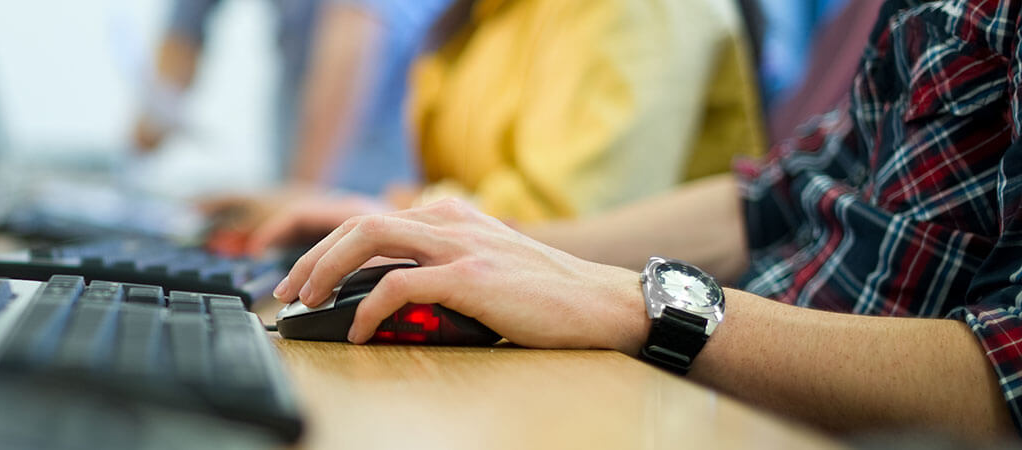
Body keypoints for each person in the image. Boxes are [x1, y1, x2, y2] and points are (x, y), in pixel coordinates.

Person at [268, 0, 1022, 437]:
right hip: (714, 391)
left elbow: (1009, 369)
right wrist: (460, 239)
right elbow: (774, 199)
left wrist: (638, 304)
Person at [221, 0, 766, 254]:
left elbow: (565, 233)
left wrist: (382, 216)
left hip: (632, 364)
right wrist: (362, 212)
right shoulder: (484, 18)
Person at [134, 0, 449, 196]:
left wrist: (302, 193)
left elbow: (354, 34)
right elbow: (182, 35)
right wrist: (151, 124)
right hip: (298, 173)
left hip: (366, 188)